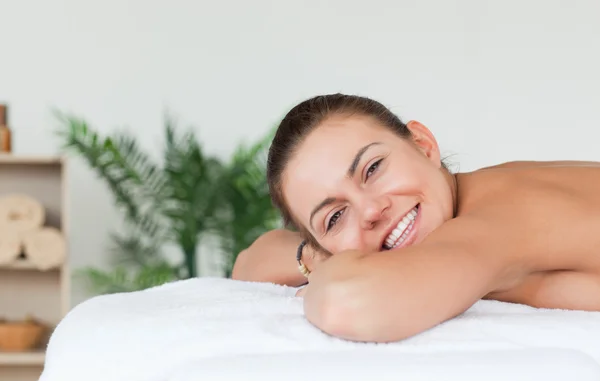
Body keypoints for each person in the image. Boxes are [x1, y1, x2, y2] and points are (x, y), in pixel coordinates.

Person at [232, 93, 600, 343]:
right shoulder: (485, 193)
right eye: (335, 217)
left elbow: (346, 301)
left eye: (373, 168)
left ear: (424, 145)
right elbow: (252, 262)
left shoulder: (497, 225)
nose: (372, 210)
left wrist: (331, 257)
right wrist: (313, 254)